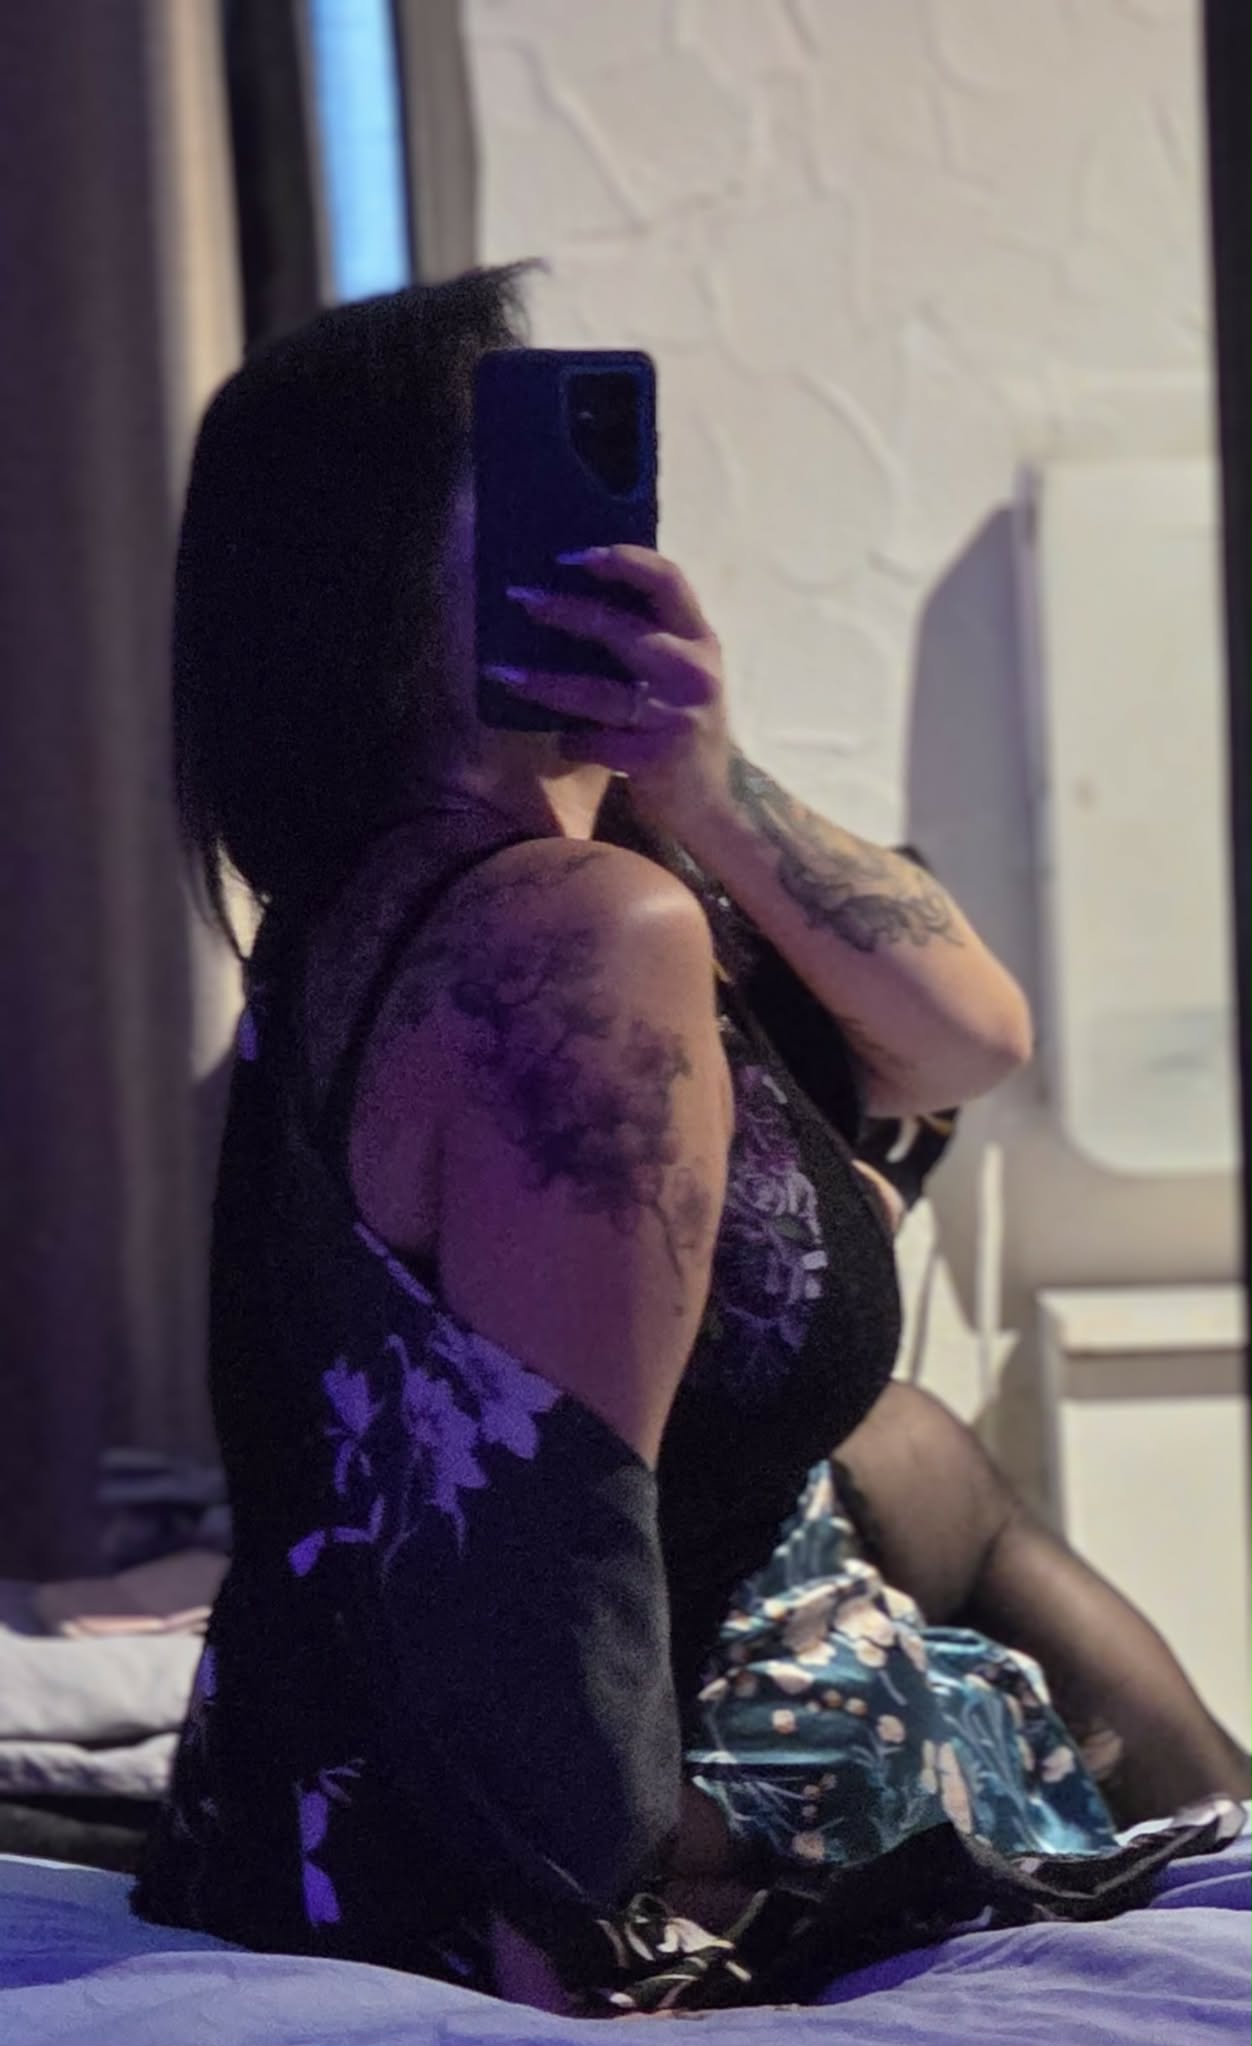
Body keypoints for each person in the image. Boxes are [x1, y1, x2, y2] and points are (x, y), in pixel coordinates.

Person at [133, 269, 1248, 2015]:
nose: (604, 531)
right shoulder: (567, 938)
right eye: (522, 483)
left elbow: (970, 1038)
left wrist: (704, 772)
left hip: (512, 1691)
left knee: (921, 1450)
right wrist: (582, 1975)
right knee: (949, 1507)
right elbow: (544, 1551)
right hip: (577, 1814)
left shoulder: (439, 888)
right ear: (381, 579)